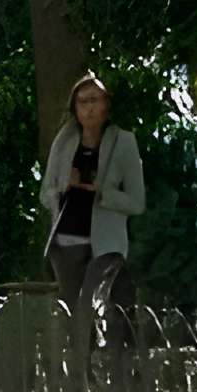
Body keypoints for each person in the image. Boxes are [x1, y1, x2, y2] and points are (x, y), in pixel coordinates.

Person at [40, 70, 145, 327]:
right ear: (74, 107)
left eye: (94, 100)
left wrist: (102, 193)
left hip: (105, 245)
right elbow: (45, 194)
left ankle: (104, 356)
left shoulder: (124, 142)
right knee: (71, 314)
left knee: (90, 307)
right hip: (66, 242)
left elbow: (137, 202)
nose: (88, 108)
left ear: (106, 104)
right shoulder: (64, 142)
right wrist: (65, 187)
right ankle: (80, 365)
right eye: (82, 101)